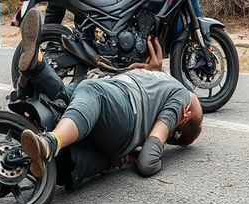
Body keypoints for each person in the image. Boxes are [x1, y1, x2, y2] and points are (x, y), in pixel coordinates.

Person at [15, 9, 203, 188]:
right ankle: (36, 68)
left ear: (186, 115)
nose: (192, 96)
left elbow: (148, 163)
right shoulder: (166, 80)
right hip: (112, 94)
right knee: (67, 96)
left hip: (122, 109)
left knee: (90, 90)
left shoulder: (181, 98)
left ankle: (50, 143)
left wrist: (136, 155)